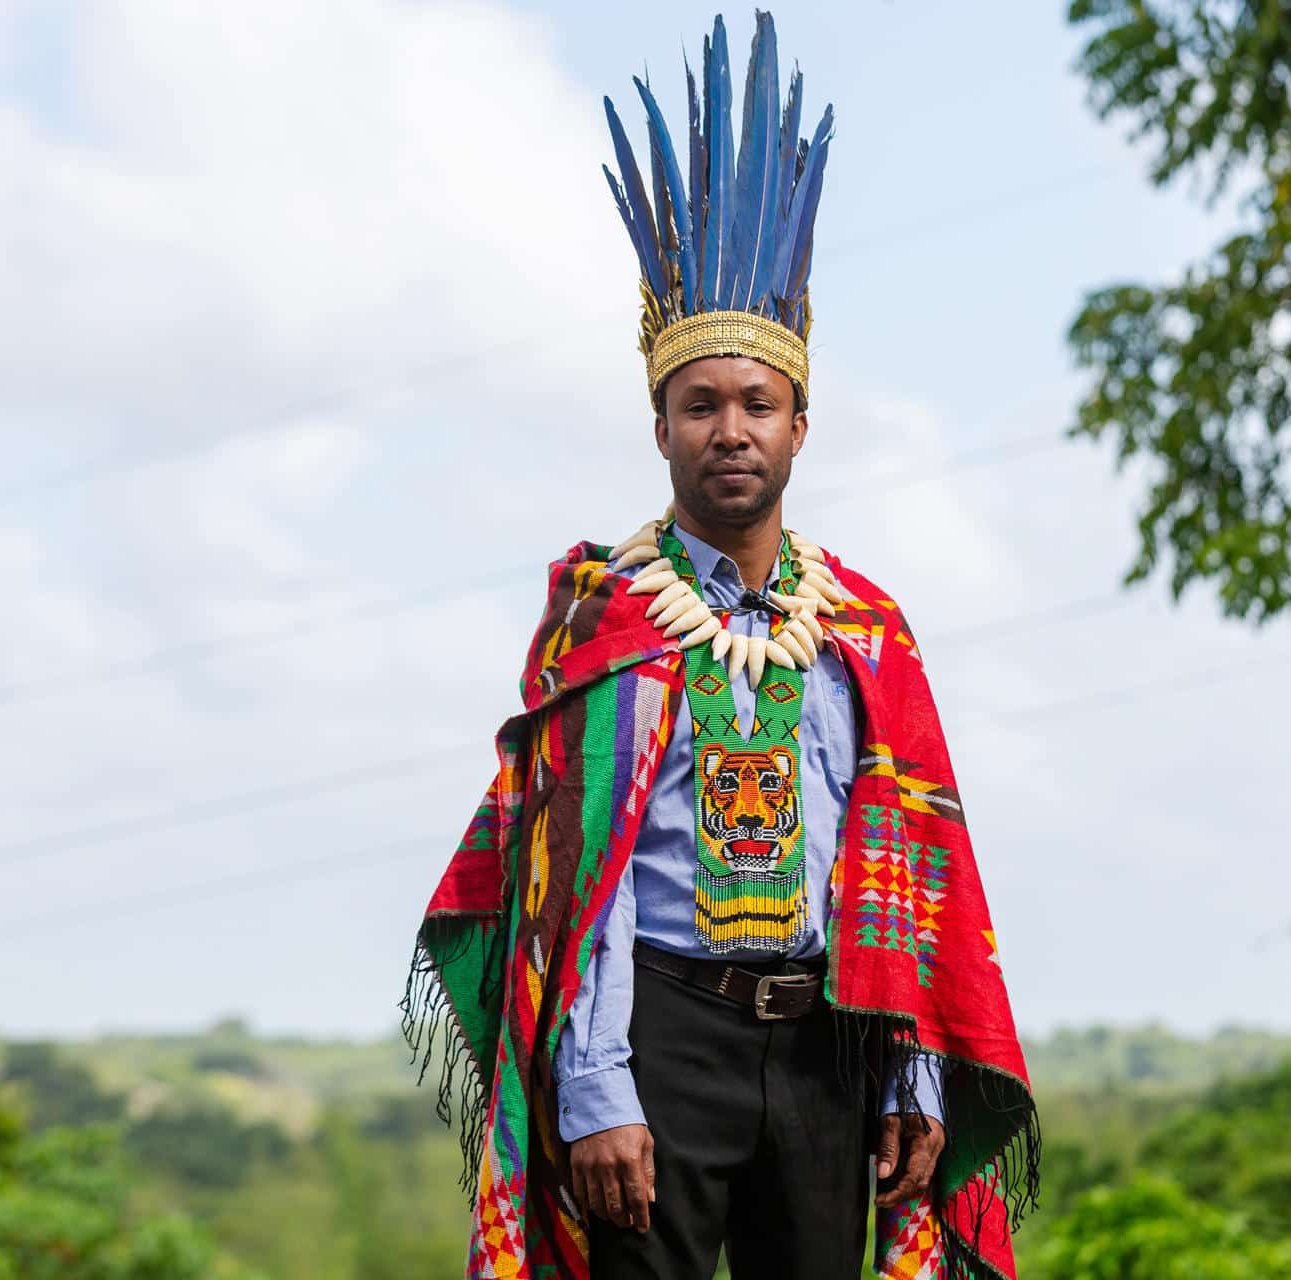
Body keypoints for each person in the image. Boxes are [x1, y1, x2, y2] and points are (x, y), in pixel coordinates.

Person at [402, 13, 1036, 1279]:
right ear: (661, 427)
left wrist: (909, 1066)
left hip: (827, 1045)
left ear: (803, 426)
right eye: (701, 405)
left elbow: (896, 854)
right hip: (659, 1044)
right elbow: (579, 880)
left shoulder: (864, 627)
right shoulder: (606, 615)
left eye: (757, 403)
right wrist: (595, 1089)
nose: (729, 428)